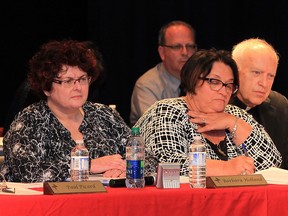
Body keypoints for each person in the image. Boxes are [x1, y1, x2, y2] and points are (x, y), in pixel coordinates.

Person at [134, 48, 282, 176]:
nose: (223, 91)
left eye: (229, 85)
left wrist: (232, 123)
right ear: (193, 79)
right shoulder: (167, 111)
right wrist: (225, 168)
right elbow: (166, 164)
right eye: (215, 82)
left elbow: (272, 163)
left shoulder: (236, 114)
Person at [0, 39, 131, 182]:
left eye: (82, 79)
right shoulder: (30, 120)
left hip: (105, 201)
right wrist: (88, 165)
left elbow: (147, 157)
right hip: (48, 203)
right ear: (46, 88)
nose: (78, 87)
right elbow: (27, 172)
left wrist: (123, 167)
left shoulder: (105, 115)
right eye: (68, 81)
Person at [230, 38, 288, 169]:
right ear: (234, 71)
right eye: (256, 73)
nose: (264, 83)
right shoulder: (216, 104)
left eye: (270, 76)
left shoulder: (280, 105)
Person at [130, 20, 197, 126]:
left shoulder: (202, 81)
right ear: (162, 52)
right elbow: (158, 126)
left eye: (190, 46)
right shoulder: (147, 85)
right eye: (177, 47)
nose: (185, 52)